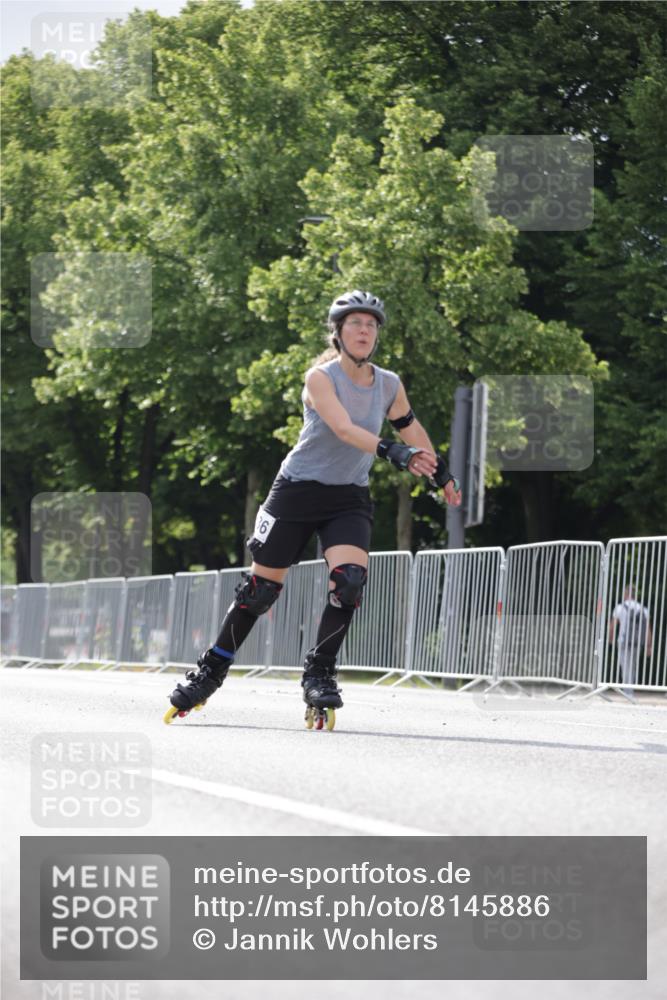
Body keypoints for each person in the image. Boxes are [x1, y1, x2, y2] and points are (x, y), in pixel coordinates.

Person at [164, 290, 462, 727]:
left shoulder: (389, 383)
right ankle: (210, 672)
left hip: (348, 496)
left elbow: (411, 426)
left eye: (371, 325)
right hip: (296, 492)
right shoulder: (320, 378)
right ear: (338, 332)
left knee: (350, 584)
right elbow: (343, 429)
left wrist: (440, 471)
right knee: (258, 593)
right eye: (355, 324)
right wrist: (393, 452)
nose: (364, 331)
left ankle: (320, 674)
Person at [608, 585, 653, 699]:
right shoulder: (643, 608)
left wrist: (611, 638)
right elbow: (648, 629)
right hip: (637, 643)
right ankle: (630, 690)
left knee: (625, 666)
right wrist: (649, 646)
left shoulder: (620, 607)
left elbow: (612, 625)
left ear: (626, 594)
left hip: (623, 641)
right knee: (632, 666)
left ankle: (627, 691)